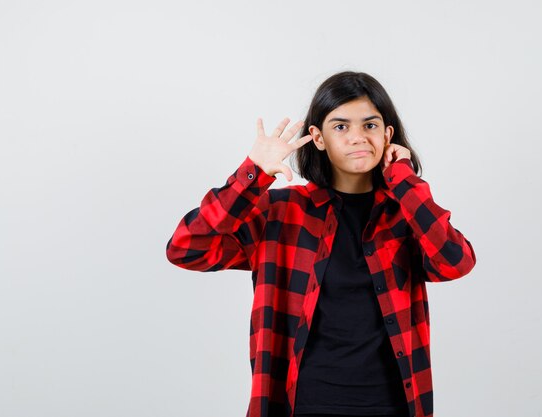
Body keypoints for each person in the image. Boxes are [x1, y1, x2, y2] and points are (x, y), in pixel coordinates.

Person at [165, 71, 477, 417]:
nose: (358, 137)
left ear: (388, 135)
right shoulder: (281, 213)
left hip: (393, 404)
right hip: (303, 403)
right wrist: (253, 174)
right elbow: (186, 247)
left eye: (370, 126)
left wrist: (403, 180)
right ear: (318, 137)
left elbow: (455, 262)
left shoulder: (406, 216)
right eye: (341, 127)